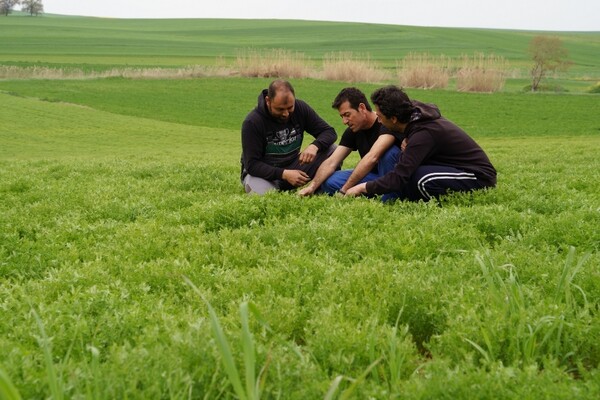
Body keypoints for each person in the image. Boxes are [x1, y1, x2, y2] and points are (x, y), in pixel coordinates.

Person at [345, 85, 496, 202]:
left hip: (478, 176)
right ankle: (398, 198)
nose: (378, 121)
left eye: (381, 117)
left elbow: (399, 177)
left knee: (421, 179)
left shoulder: (423, 134)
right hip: (451, 167)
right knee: (408, 170)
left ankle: (422, 205)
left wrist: (362, 188)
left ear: (394, 119)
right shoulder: (411, 115)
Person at [299, 87, 403, 198]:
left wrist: (344, 190)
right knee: (330, 181)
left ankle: (390, 195)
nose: (344, 121)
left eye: (347, 115)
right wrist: (312, 186)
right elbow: (332, 161)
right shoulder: (353, 130)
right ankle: (369, 190)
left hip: (393, 175)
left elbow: (372, 158)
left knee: (389, 153)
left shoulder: (385, 123)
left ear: (362, 108)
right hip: (373, 176)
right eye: (342, 116)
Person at [241, 80, 338, 194]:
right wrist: (284, 174)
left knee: (332, 150)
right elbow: (252, 165)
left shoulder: (300, 108)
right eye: (280, 109)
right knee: (263, 197)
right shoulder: (253, 122)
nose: (286, 113)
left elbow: (329, 132)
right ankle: (268, 188)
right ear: (268, 101)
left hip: (293, 167)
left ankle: (319, 189)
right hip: (264, 175)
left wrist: (315, 146)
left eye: (290, 107)